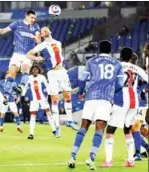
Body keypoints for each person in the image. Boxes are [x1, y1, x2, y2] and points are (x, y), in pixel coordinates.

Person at [67, 40, 124, 170]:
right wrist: (111, 91)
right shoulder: (117, 64)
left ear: (99, 49)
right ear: (110, 50)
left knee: (83, 127)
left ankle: (72, 156)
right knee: (99, 129)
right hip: (105, 100)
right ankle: (91, 158)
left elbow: (83, 79)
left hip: (91, 98)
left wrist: (81, 92)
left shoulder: (91, 62)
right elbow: (120, 83)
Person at [27, 27, 79, 138]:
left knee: (67, 96)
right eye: (42, 31)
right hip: (52, 74)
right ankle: (57, 126)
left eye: (45, 30)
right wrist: (37, 59)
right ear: (41, 35)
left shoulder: (58, 43)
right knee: (54, 100)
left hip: (62, 71)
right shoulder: (41, 46)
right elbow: (29, 54)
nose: (44, 31)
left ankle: (69, 121)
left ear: (50, 31)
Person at [101, 47, 148, 168]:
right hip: (134, 101)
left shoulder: (117, 65)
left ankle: (108, 161)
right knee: (127, 129)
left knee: (110, 130)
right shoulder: (137, 68)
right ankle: (130, 160)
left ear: (121, 56)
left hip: (121, 100)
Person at [0, 9, 41, 104]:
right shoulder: (17, 24)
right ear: (26, 16)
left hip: (28, 55)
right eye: (32, 17)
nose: (33, 20)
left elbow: (39, 41)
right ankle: (6, 96)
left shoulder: (36, 27)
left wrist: (35, 37)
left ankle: (22, 87)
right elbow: (3, 31)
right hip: (17, 54)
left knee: (25, 69)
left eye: (35, 18)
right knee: (11, 73)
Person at [25, 65, 56, 139]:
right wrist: (22, 93)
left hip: (42, 98)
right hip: (34, 100)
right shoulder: (29, 78)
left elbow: (47, 85)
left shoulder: (42, 77)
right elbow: (25, 86)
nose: (35, 71)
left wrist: (49, 94)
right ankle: (31, 134)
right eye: (34, 69)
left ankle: (54, 130)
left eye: (36, 70)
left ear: (38, 70)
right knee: (32, 116)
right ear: (31, 70)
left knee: (49, 114)